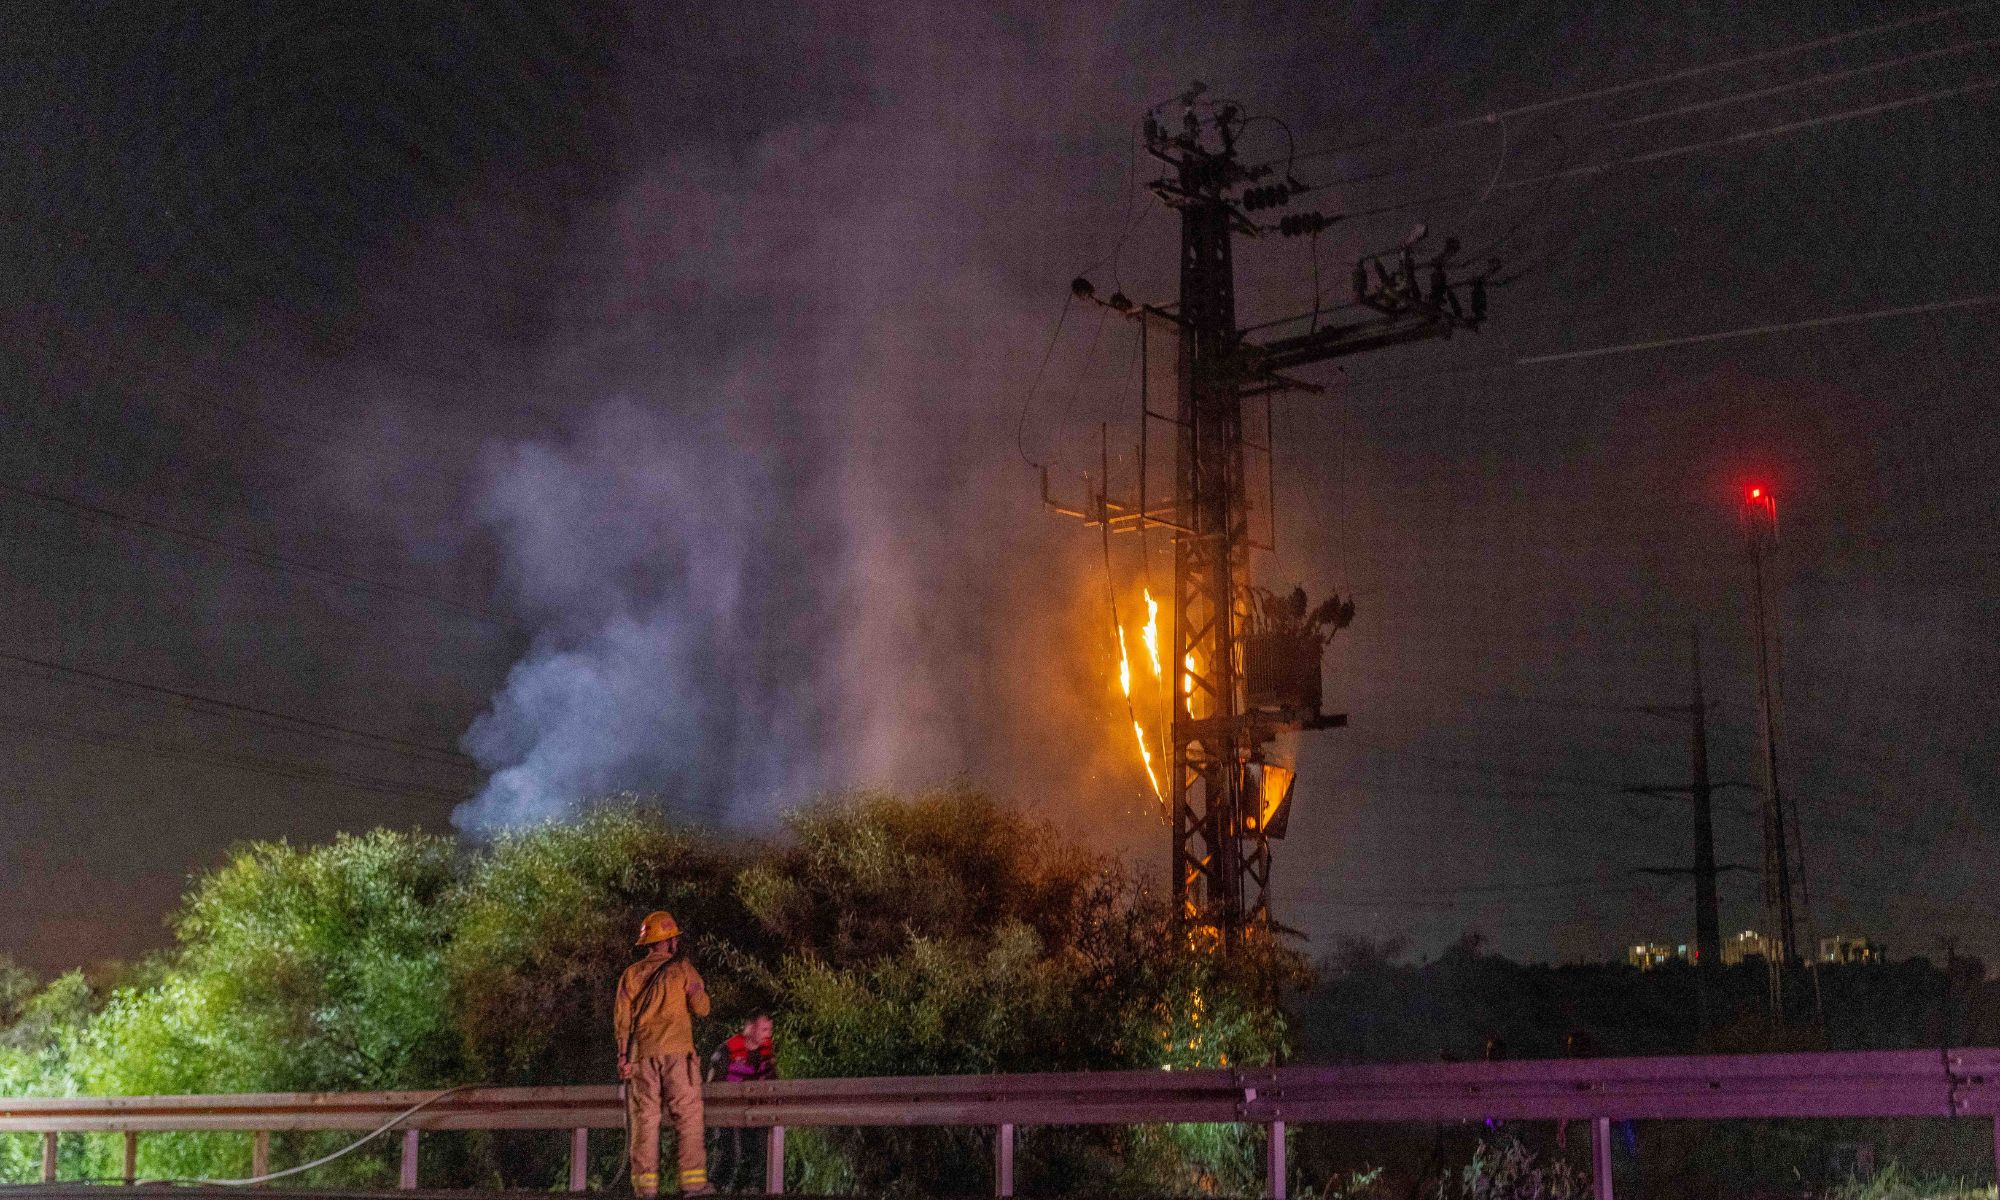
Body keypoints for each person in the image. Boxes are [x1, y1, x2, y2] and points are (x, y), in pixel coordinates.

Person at [616, 910, 712, 1197]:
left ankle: (645, 1189)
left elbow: (622, 1021)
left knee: (645, 1122)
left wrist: (623, 1057)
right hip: (678, 1057)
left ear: (647, 943)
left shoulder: (630, 975)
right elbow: (702, 1008)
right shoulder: (683, 970)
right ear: (669, 941)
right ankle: (693, 1185)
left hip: (642, 1057)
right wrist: (697, 990)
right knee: (688, 1119)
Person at [705, 1015, 777, 1190]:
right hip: (728, 1109)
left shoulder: (766, 1052)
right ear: (750, 1027)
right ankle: (714, 1187)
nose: (768, 1035)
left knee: (760, 1150)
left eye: (769, 1030)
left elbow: (774, 1081)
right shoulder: (725, 1052)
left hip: (755, 1109)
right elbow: (713, 1087)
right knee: (729, 1151)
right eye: (764, 1030)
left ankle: (754, 1188)